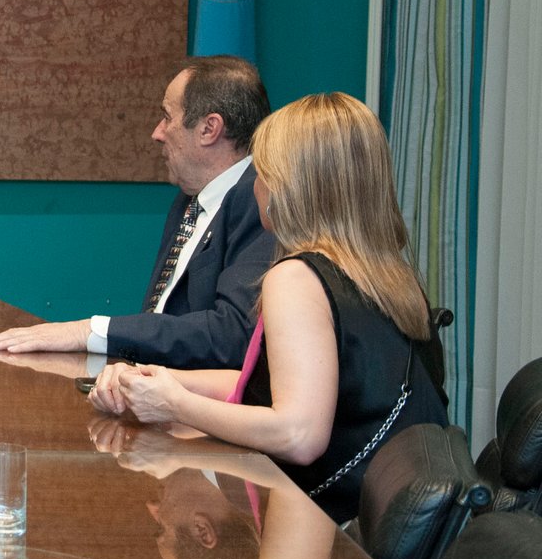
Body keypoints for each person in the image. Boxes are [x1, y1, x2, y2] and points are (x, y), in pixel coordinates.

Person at [88, 93, 449, 522]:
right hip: (376, 519)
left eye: (261, 171)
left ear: (288, 187)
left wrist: (175, 405)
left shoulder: (297, 278)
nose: (254, 185)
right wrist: (163, 381)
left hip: (322, 525)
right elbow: (271, 383)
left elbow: (298, 434)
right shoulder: (387, 273)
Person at [0, 56, 277, 369]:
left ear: (209, 128)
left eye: (167, 117)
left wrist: (91, 331)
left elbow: (231, 334)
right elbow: (163, 316)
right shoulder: (189, 199)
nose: (157, 132)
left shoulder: (262, 204)